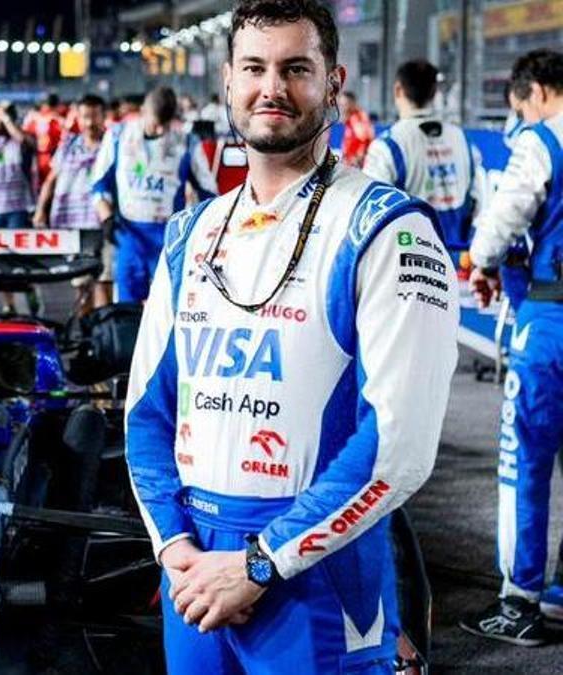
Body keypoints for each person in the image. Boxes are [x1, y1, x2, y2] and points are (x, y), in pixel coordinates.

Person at [124, 1, 459, 672]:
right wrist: (175, 549)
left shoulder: (386, 228)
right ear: (226, 82)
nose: (271, 88)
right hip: (193, 575)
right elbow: (146, 412)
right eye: (254, 67)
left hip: (320, 571)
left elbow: (399, 442)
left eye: (295, 69)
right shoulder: (190, 234)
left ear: (333, 84)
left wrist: (260, 560)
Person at [460, 48, 563, 646]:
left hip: (550, 318)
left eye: (522, 107)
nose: (522, 120)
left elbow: (506, 215)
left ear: (538, 92)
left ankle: (518, 601)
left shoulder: (543, 140)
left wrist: (480, 259)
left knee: (523, 462)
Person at [363, 59, 485, 253]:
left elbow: (373, 213)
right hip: (457, 258)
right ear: (435, 92)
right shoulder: (463, 139)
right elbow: (480, 201)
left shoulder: (387, 145)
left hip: (408, 259)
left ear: (398, 90)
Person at [91, 85, 188, 303]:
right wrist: (106, 217)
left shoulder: (186, 141)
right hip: (129, 232)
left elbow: (208, 191)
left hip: (170, 236)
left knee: (170, 305)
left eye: (166, 124)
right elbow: (98, 183)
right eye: (156, 123)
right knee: (127, 304)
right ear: (143, 110)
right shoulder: (117, 135)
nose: (161, 131)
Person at [33, 94, 108, 309]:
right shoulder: (68, 146)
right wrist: (41, 210)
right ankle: (86, 334)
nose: (90, 122)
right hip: (75, 225)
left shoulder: (113, 145)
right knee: (81, 283)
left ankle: (103, 334)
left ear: (103, 117)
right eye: (85, 117)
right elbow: (51, 179)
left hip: (103, 223)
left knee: (103, 281)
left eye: (94, 116)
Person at [24, 93, 65, 183]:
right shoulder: (58, 120)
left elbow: (24, 134)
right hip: (50, 157)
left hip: (39, 158)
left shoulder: (33, 118)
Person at [339, 91, 374, 168]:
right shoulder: (350, 120)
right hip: (349, 165)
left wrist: (357, 159)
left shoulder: (357, 118)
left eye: (345, 105)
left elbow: (366, 140)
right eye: (341, 105)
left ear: (352, 104)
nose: (342, 109)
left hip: (356, 168)